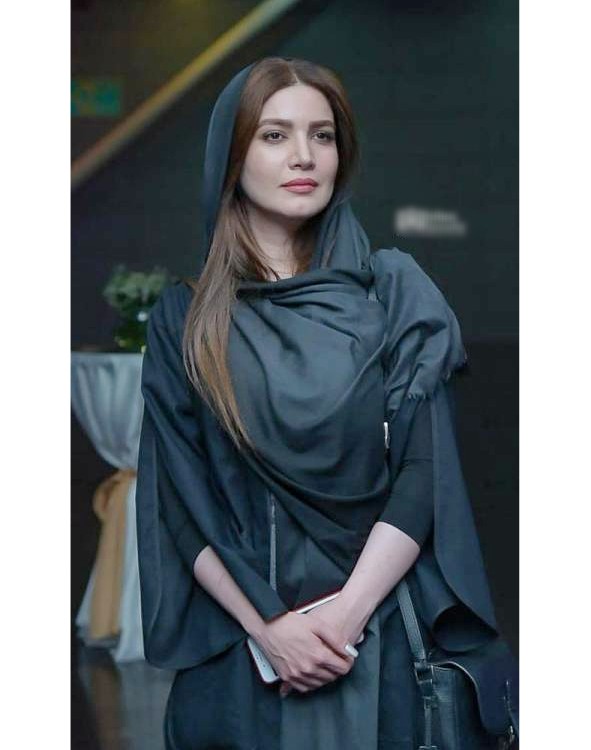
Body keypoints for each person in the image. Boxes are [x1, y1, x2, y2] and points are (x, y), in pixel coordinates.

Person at [136, 57, 501, 750]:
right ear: (231, 156)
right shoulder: (185, 320)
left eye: (322, 135)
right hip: (242, 654)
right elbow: (181, 503)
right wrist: (271, 630)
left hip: (381, 639)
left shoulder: (394, 292)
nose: (303, 156)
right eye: (274, 135)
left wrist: (342, 619)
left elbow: (423, 477)